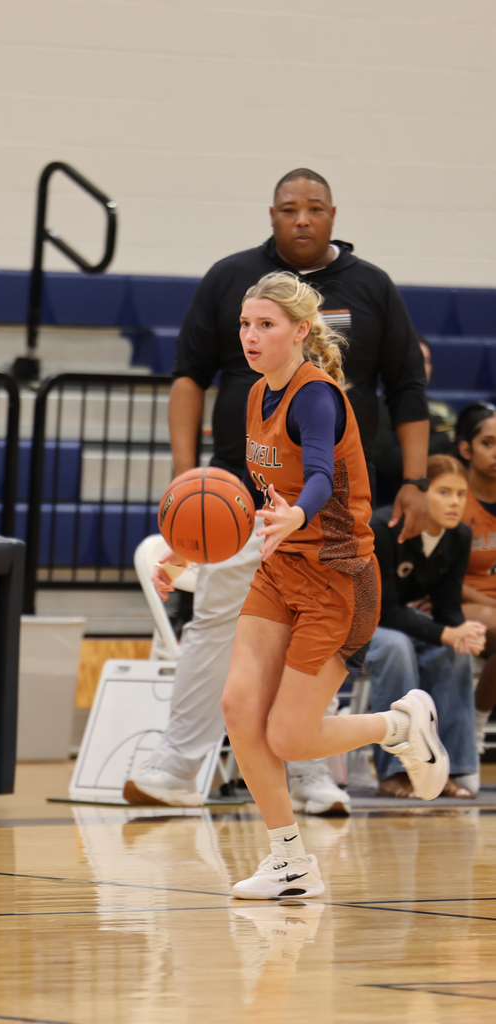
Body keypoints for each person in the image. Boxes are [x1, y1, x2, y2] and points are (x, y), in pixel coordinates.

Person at [123, 167, 430, 813]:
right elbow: (189, 377)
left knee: (309, 641)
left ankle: (312, 771)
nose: (301, 218)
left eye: (314, 208)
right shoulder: (233, 280)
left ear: (333, 215)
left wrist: (415, 479)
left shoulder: (368, 294)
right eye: (289, 208)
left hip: (323, 520)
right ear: (271, 214)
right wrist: (188, 481)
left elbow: (406, 390)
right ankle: (183, 765)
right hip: (240, 498)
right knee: (216, 626)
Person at [218, 272, 447, 899]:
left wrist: (298, 512)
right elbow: (260, 493)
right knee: (239, 708)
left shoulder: (316, 395)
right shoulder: (254, 393)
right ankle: (289, 861)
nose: (251, 336)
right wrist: (192, 554)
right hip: (281, 569)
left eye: (265, 324)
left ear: (299, 331)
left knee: (289, 735)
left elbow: (317, 473)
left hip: (340, 579)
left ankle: (398, 727)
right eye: (245, 323)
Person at [366, 455, 484, 798]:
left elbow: (447, 607)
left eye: (461, 494)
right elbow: (383, 611)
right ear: (420, 495)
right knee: (395, 648)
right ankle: (396, 772)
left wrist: (463, 633)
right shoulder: (385, 528)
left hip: (403, 622)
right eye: (444, 492)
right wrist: (447, 632)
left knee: (455, 653)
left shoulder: (459, 536)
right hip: (361, 622)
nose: (454, 502)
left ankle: (454, 769)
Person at [372, 337, 458, 503]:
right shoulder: (378, 408)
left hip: (449, 498)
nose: (420, 367)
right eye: (413, 360)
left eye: (425, 361)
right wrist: (444, 439)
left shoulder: (444, 408)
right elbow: (388, 462)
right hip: (395, 502)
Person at [456, 403, 496, 752]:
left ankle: (474, 727)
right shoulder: (453, 499)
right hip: (459, 601)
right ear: (466, 448)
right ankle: (475, 732)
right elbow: (442, 580)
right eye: (488, 443)